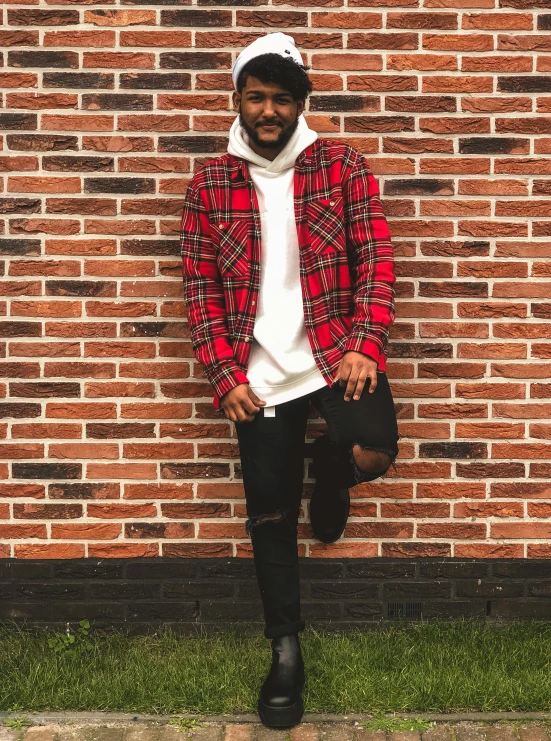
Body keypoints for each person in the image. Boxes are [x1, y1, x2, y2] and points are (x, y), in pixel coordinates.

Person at [180, 32, 399, 729]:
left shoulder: (338, 163)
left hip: (334, 356)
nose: (267, 110)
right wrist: (223, 376)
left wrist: (366, 343)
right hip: (259, 374)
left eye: (280, 98)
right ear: (238, 100)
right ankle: (284, 650)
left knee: (376, 449)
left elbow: (376, 256)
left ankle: (330, 469)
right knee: (270, 515)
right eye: (256, 96)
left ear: (299, 103)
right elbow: (198, 291)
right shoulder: (210, 182)